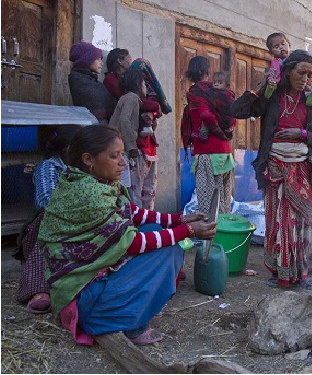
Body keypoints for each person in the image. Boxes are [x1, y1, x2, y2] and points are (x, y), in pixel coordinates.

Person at [38, 125, 216, 346]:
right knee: (168, 250)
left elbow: (133, 212)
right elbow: (131, 243)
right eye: (114, 156)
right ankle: (124, 323)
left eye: (122, 154)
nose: (123, 161)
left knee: (156, 233)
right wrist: (187, 231)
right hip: (83, 301)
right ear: (88, 159)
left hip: (85, 288)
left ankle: (124, 313)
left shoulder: (89, 182)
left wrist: (178, 220)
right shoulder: (89, 194)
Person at [231, 50, 312, 289]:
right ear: (287, 71)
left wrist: (301, 134)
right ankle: (281, 272)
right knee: (280, 221)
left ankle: (302, 273)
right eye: (300, 72)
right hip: (275, 168)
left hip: (302, 168)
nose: (305, 78)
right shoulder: (273, 97)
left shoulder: (311, 101)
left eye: (310, 74)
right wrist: (262, 85)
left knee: (303, 221)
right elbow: (238, 111)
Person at [14, 126, 80, 314]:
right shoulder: (50, 166)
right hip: (45, 224)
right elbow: (46, 201)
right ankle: (38, 290)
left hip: (77, 221)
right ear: (67, 150)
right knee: (49, 223)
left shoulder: (84, 167)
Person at [182, 57, 236, 214]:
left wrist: (217, 131)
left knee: (209, 207)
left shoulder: (196, 92)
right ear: (207, 72)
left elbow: (206, 116)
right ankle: (224, 236)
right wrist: (225, 134)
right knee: (224, 204)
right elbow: (232, 115)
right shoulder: (220, 91)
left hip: (208, 155)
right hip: (225, 156)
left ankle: (212, 238)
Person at [128, 58, 172, 210]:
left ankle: (148, 225)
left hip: (150, 150)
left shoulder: (152, 100)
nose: (145, 87)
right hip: (136, 151)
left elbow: (156, 118)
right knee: (135, 193)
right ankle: (137, 229)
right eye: (142, 84)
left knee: (149, 191)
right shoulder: (129, 100)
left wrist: (154, 114)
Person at [108, 69, 145, 204]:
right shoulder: (132, 98)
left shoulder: (125, 98)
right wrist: (131, 146)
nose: (144, 86)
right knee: (131, 187)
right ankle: (134, 217)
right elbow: (124, 120)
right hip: (122, 148)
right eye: (143, 83)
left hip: (116, 144)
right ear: (137, 84)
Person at [264, 33, 312, 106]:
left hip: (305, 85)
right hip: (280, 84)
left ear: (289, 45)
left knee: (309, 86)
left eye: (283, 44)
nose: (281, 47)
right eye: (276, 46)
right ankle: (270, 88)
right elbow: (275, 73)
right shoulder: (276, 62)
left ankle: (311, 94)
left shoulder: (296, 57)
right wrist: (273, 81)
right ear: (271, 52)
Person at [68, 41, 116, 124]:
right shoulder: (79, 80)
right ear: (86, 60)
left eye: (101, 59)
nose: (101, 63)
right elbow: (100, 100)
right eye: (97, 59)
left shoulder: (91, 79)